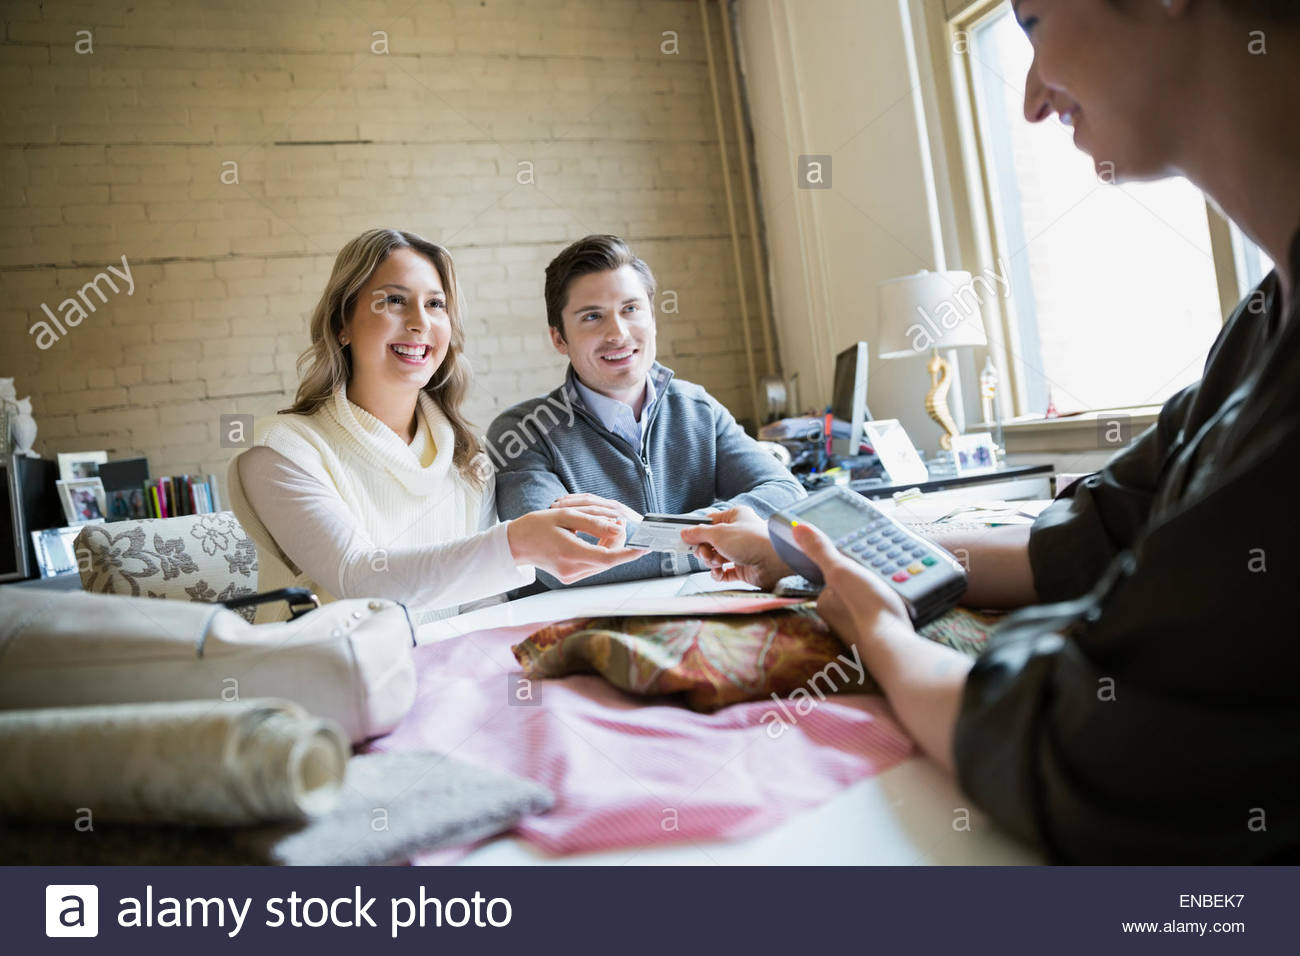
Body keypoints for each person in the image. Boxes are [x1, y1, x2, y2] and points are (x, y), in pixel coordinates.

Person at [682, 0, 1299, 862]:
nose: (1033, 101)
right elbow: (1090, 538)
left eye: (1036, 20)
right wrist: (809, 552)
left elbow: (1074, 745)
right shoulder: (1262, 325)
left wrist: (884, 637)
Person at [227, 229, 641, 624]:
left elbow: (480, 610)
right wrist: (517, 542)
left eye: (436, 304)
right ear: (342, 324)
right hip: (318, 687)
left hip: (440, 677)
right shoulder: (281, 451)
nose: (420, 322)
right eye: (393, 300)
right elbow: (358, 580)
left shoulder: (468, 459)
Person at [487, 234, 805, 591]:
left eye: (630, 309)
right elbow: (561, 555)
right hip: (581, 634)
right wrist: (714, 539)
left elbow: (786, 496)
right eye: (592, 317)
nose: (618, 334)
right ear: (559, 338)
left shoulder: (697, 408)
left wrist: (647, 528)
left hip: (702, 615)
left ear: (653, 318)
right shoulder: (523, 433)